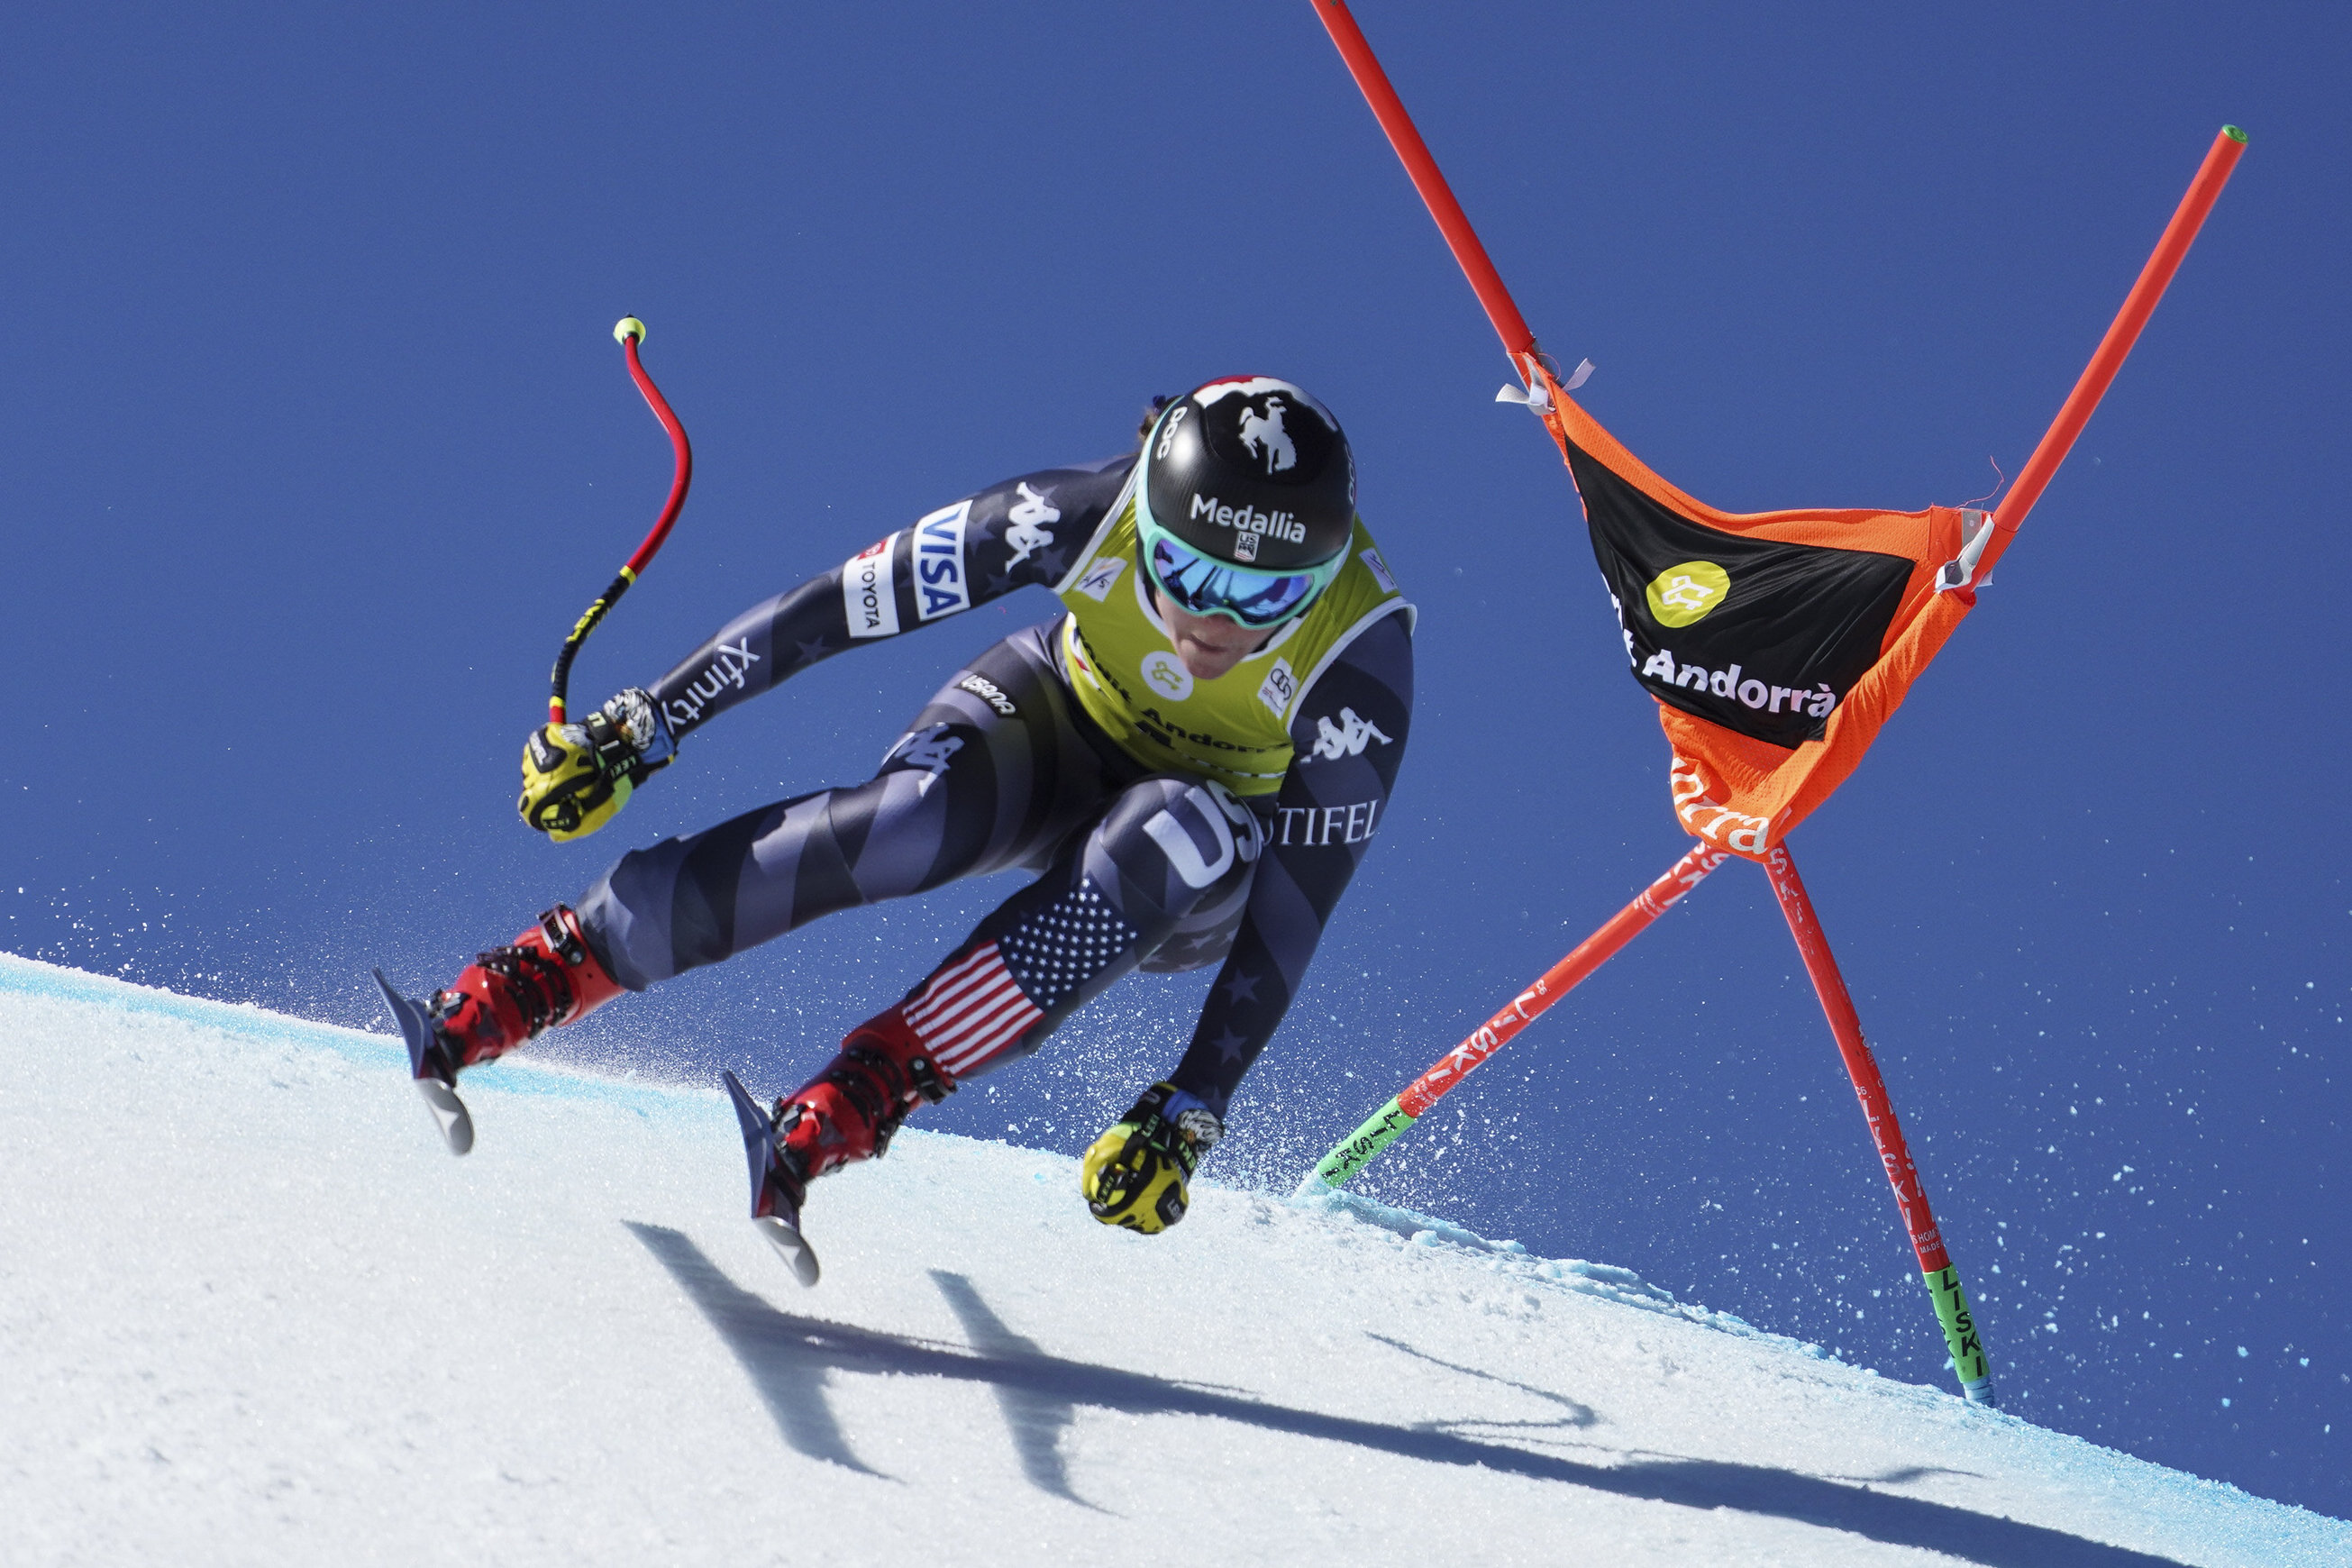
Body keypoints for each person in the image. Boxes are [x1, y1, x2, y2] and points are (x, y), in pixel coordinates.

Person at [379, 375, 1413, 1261]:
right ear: (1147, 516)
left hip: (1198, 861)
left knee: (1171, 831)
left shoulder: (1356, 665)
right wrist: (646, 724)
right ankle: (552, 969)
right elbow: (838, 606)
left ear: (1323, 578)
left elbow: (1290, 914)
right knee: (910, 820)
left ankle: (869, 1091)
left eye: (1263, 596)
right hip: (1058, 717)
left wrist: (1193, 1106)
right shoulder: (1074, 514)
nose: (1213, 624)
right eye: (1186, 573)